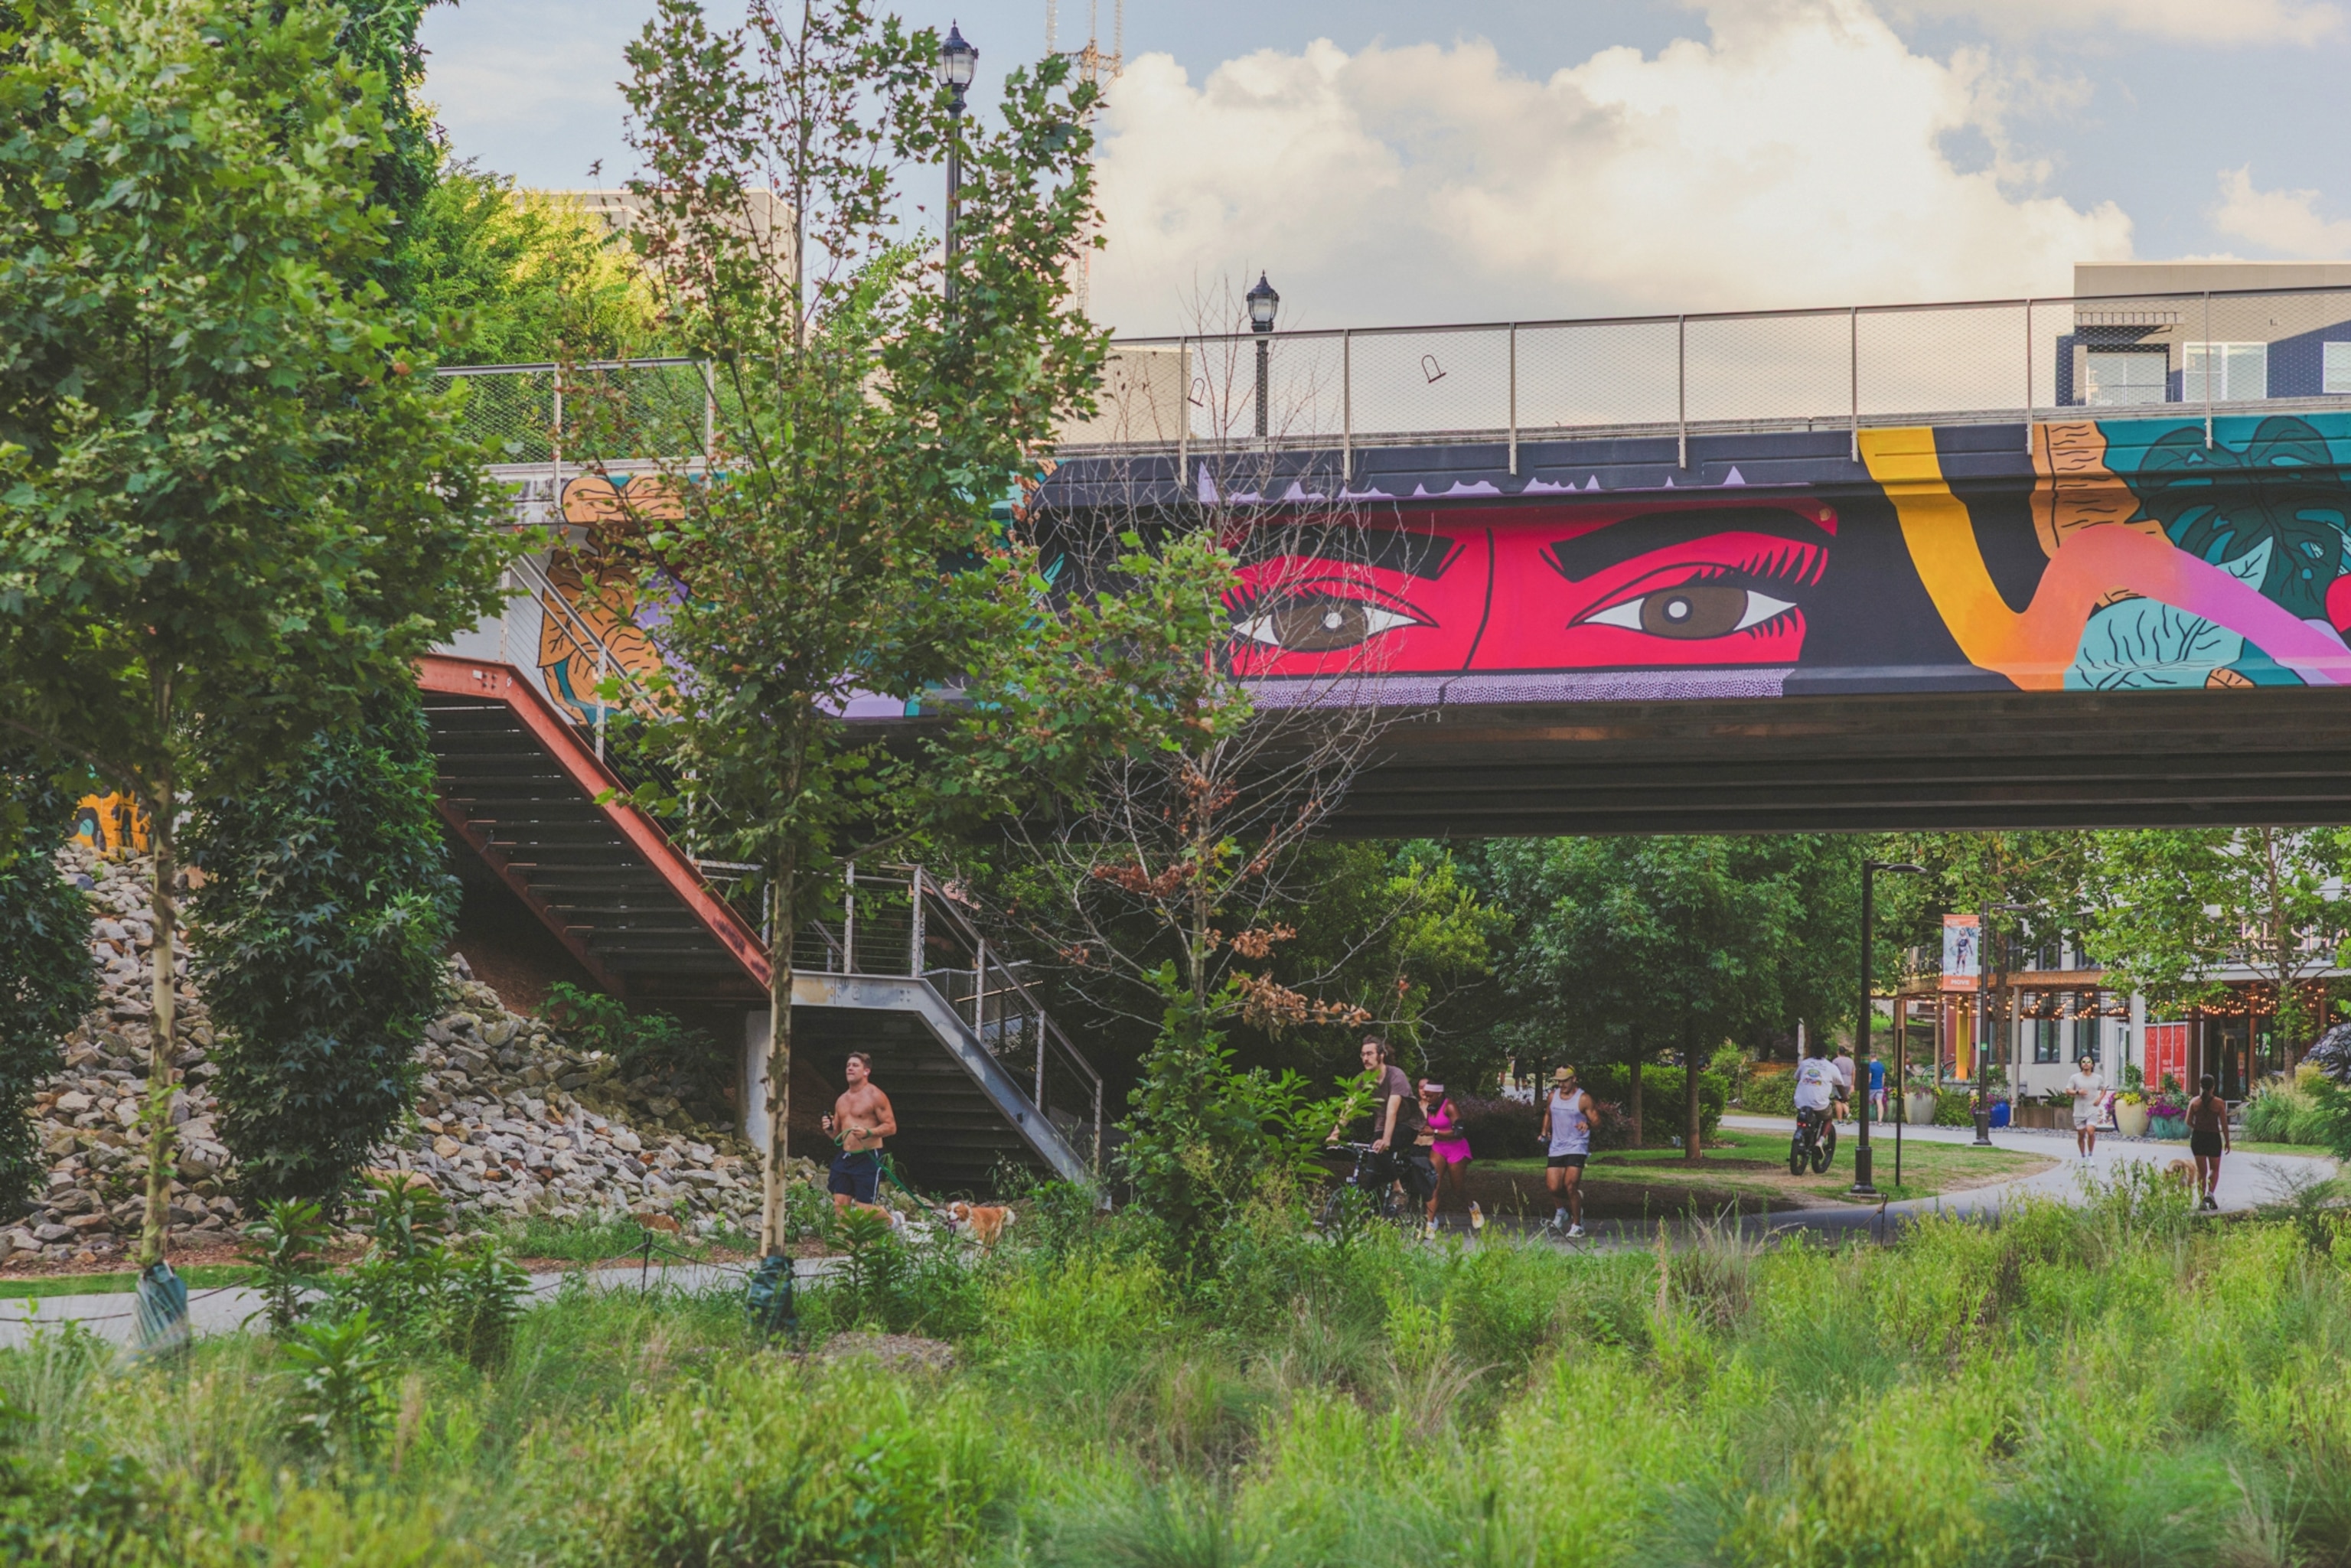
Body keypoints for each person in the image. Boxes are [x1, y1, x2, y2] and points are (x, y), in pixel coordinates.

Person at [1329, 1035, 1432, 1216]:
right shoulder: (1362, 1078)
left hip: (1408, 1124)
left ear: (1381, 1055)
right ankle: (1373, 1220)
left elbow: (1393, 1109)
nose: (1365, 1058)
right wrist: (1335, 1133)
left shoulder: (1395, 1075)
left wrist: (1386, 1139)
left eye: (1369, 1054)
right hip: (1383, 1124)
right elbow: (1350, 1106)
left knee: (1379, 1149)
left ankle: (1398, 1190)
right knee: (1371, 1174)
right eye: (1362, 1055)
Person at [821, 1051, 899, 1221]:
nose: (850, 1069)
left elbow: (891, 1127)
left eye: (855, 1066)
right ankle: (846, 1245)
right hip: (846, 1156)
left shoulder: (875, 1095)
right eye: (848, 1066)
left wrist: (869, 1132)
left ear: (866, 1071)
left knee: (865, 1210)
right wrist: (829, 1129)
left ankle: (893, 1221)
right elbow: (838, 1135)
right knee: (840, 1204)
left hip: (868, 1156)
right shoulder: (841, 1100)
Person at [1539, 1065, 1594, 1238]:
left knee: (1570, 1186)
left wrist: (1588, 1124)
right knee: (1553, 1187)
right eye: (1559, 1081)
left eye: (1565, 1081)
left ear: (1574, 1079)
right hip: (1557, 1145)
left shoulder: (1583, 1098)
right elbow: (1548, 1114)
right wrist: (1543, 1132)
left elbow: (1597, 1120)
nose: (1561, 1085)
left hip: (1577, 1145)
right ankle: (1562, 1211)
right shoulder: (1553, 1096)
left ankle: (1577, 1225)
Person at [1419, 1080, 1476, 1237]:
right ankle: (1430, 1224)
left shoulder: (1450, 1106)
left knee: (1457, 1188)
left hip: (1456, 1148)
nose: (1428, 1098)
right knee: (1432, 1185)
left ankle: (1472, 1206)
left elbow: (1459, 1132)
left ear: (1439, 1094)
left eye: (1430, 1096)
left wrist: (1434, 1132)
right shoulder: (1430, 1107)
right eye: (1426, 1095)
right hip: (1438, 1148)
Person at [2186, 1073, 2231, 1211]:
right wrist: (2227, 1141)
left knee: (2201, 1172)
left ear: (2201, 1086)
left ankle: (2201, 1200)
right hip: (2213, 1138)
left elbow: (2188, 1121)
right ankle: (2210, 1194)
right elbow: (2224, 1125)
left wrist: (2198, 1128)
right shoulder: (2219, 1103)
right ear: (2213, 1087)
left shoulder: (2194, 1102)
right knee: (2214, 1169)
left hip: (2198, 1138)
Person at [1792, 1044, 1839, 1162]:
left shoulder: (1805, 1063)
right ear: (1826, 1053)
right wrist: (1844, 1097)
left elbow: (1797, 1078)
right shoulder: (1830, 1067)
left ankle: (1803, 1139)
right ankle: (1820, 1141)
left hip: (1801, 1101)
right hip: (1820, 1103)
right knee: (1828, 1118)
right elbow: (1840, 1084)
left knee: (1803, 1119)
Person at [2065, 1055, 2103, 1160]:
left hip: (2092, 1108)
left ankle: (2090, 1155)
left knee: (2090, 1131)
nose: (2086, 1063)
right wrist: (2078, 1092)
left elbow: (2104, 1089)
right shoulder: (2075, 1078)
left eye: (2088, 1062)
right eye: (2083, 1062)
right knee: (2081, 1134)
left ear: (2092, 1064)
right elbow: (2068, 1091)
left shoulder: (2098, 1078)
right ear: (2081, 1065)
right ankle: (2083, 1156)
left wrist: (2099, 1099)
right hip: (2079, 1110)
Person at [1832, 1044, 1857, 1126]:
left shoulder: (1836, 1061)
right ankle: (1848, 1115)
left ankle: (1840, 1120)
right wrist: (1853, 1084)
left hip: (1839, 1082)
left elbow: (1833, 1072)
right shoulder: (1850, 1060)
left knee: (1838, 1101)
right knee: (1845, 1100)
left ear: (1838, 1052)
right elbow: (1853, 1072)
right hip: (1848, 1082)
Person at [1867, 1052, 1887, 1126]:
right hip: (1879, 1087)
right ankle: (1880, 1121)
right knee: (1879, 1103)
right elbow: (1883, 1077)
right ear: (1876, 1056)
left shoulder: (1870, 1066)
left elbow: (1870, 1077)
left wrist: (1867, 1085)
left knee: (1867, 1103)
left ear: (1870, 1057)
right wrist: (1882, 1085)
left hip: (1872, 1087)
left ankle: (1866, 1119)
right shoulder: (1881, 1065)